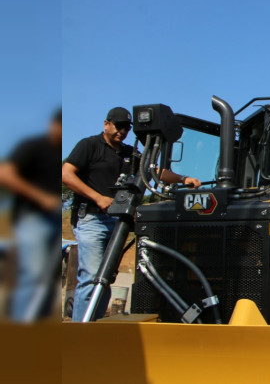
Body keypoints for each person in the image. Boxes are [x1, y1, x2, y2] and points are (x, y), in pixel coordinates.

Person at [62, 107, 200, 321]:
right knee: (91, 278)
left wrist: (184, 179)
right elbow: (66, 174)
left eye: (127, 128)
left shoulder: (128, 153)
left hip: (115, 220)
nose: (122, 132)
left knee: (105, 277)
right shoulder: (89, 146)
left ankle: (94, 326)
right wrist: (98, 198)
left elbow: (153, 171)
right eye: (118, 126)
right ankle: (80, 331)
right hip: (91, 218)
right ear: (106, 124)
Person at [0, 108, 62, 321]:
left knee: (48, 280)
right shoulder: (34, 146)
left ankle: (36, 330)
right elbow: (5, 174)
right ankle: (21, 331)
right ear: (54, 125)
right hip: (32, 218)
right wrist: (40, 197)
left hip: (54, 219)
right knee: (33, 275)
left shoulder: (59, 153)